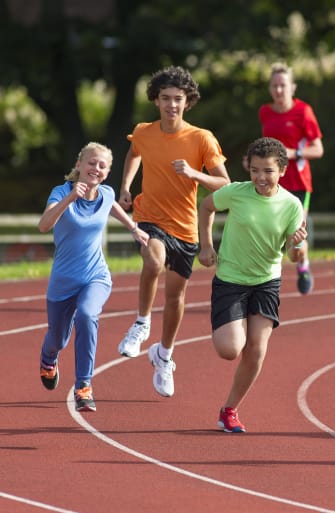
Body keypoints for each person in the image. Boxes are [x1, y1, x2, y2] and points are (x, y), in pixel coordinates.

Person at [117, 65, 230, 397]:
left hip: (185, 228)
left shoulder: (201, 138)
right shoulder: (144, 131)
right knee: (152, 260)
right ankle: (140, 323)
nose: (171, 105)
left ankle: (164, 355)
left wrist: (196, 174)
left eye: (177, 99)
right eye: (165, 98)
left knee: (175, 296)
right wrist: (125, 185)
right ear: (156, 101)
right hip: (150, 217)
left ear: (187, 101)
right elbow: (133, 152)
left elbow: (224, 182)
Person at [199, 137, 307, 433]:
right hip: (231, 280)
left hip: (266, 282)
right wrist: (206, 246)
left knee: (256, 350)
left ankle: (229, 410)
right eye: (255, 170)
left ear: (282, 171)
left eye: (268, 171)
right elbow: (206, 207)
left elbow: (294, 255)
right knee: (230, 349)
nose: (261, 177)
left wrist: (297, 247)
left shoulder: (291, 205)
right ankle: (234, 327)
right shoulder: (235, 192)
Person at [39, 142, 149, 412]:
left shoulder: (107, 193)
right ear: (79, 165)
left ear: (107, 172)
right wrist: (70, 199)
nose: (96, 169)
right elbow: (43, 226)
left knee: (87, 315)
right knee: (58, 339)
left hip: (95, 276)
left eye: (102, 166)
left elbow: (112, 206)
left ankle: (83, 385)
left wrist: (134, 228)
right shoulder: (61, 192)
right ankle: (48, 359)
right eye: (91, 163)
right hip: (63, 280)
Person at [258, 62, 324, 294]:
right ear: (270, 88)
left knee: (295, 234)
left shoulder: (303, 111)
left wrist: (293, 153)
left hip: (298, 183)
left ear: (292, 87)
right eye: (275, 86)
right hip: (271, 183)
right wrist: (254, 161)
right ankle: (265, 281)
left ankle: (303, 265)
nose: (279, 90)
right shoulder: (265, 112)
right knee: (268, 231)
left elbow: (318, 149)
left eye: (283, 85)